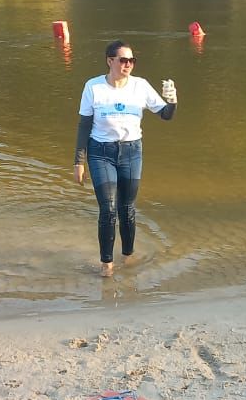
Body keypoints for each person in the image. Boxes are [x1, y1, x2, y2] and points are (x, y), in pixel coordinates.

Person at [74, 40, 177, 276]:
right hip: (101, 153)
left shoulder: (140, 86)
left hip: (131, 152)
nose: (128, 65)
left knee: (127, 208)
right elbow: (83, 126)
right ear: (110, 61)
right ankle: (106, 264)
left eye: (131, 61)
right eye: (123, 60)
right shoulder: (94, 87)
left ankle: (128, 256)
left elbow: (166, 115)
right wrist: (79, 161)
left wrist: (172, 100)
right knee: (108, 209)